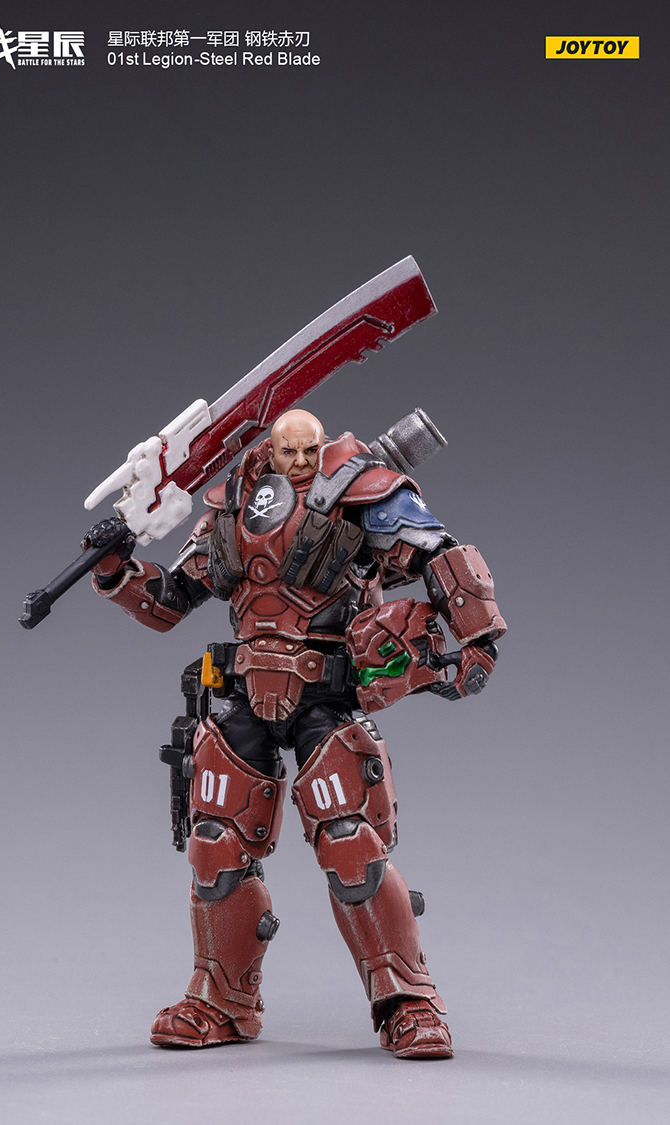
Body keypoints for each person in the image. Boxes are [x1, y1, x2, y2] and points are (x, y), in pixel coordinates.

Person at [84, 408, 505, 1059]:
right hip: (245, 687)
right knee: (214, 844)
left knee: (351, 844)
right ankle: (220, 999)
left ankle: (408, 999)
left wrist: (479, 638)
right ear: (271, 453)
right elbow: (171, 600)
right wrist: (115, 569)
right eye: (288, 451)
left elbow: (440, 552)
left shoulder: (360, 492)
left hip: (325, 690)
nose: (301, 461)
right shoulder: (233, 508)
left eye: (310, 450)